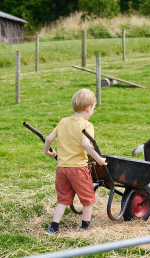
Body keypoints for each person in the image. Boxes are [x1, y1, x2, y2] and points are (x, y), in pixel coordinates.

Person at [43, 88, 107, 235]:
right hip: (78, 169)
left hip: (62, 169)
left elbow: (48, 139)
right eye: (93, 108)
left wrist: (46, 151)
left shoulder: (63, 121)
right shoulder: (86, 125)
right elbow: (86, 145)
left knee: (63, 199)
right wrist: (99, 160)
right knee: (88, 198)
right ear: (88, 108)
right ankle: (85, 227)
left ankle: (53, 228)